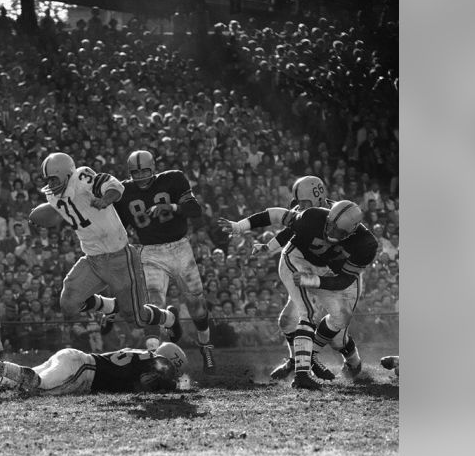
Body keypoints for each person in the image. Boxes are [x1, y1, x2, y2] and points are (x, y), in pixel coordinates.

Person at [220, 200, 378, 390]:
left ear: (351, 232)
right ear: (328, 217)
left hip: (323, 272)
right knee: (305, 313)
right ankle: (302, 373)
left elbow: (344, 280)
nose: (331, 233)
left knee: (341, 318)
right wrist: (240, 227)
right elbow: (278, 216)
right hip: (296, 260)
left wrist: (314, 281)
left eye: (338, 232)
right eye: (330, 226)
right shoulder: (312, 217)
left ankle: (313, 356)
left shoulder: (366, 243)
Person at [28, 152, 181, 346]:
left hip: (119, 257)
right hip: (92, 258)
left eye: (53, 178)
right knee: (68, 304)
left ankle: (169, 318)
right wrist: (35, 217)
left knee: (136, 318)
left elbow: (115, 187)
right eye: (47, 180)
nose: (50, 184)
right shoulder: (53, 195)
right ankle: (109, 306)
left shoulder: (82, 176)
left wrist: (105, 200)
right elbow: (57, 212)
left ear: (67, 174)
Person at [114, 149, 214, 371]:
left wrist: (170, 207)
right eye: (135, 173)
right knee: (152, 303)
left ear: (154, 169)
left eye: (144, 171)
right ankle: (152, 360)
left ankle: (205, 346)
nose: (140, 177)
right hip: (148, 251)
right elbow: (118, 226)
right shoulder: (124, 190)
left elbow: (195, 210)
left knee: (196, 305)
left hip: (180, 247)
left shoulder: (174, 178)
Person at [243, 175, 337, 383]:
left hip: (326, 274)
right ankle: (299, 361)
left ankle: (312, 365)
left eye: (304, 202)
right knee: (287, 322)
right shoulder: (304, 215)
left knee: (333, 326)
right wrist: (268, 248)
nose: (299, 207)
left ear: (318, 196)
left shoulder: (338, 215)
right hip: (302, 266)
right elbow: (289, 232)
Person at [0, 341, 188, 399]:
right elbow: (150, 378)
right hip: (83, 369)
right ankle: (3, 367)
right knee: (39, 387)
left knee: (15, 385)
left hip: (74, 358)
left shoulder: (143, 354)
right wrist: (174, 383)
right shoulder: (157, 362)